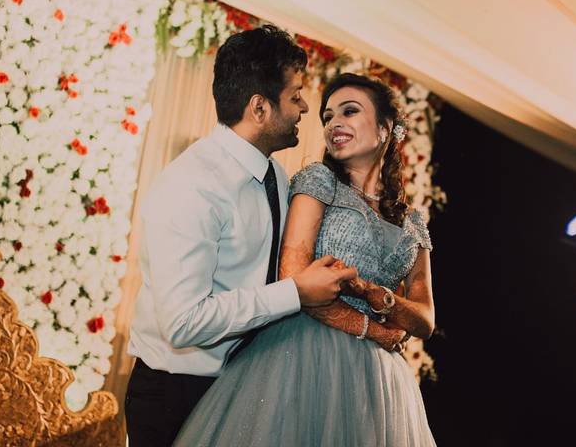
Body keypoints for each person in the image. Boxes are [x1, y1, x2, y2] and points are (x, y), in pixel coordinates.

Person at [124, 25, 359, 447]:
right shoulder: (193, 185)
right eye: (295, 96)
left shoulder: (276, 175)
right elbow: (183, 323)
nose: (305, 107)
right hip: (176, 395)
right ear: (259, 108)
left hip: (243, 388)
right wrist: (295, 293)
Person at [174, 72, 437, 447]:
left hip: (378, 382)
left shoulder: (411, 221)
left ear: (386, 128)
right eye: (328, 117)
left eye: (349, 112)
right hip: (300, 356)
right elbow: (293, 278)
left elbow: (426, 320)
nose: (334, 124)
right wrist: (375, 329)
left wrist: (379, 296)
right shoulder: (319, 182)